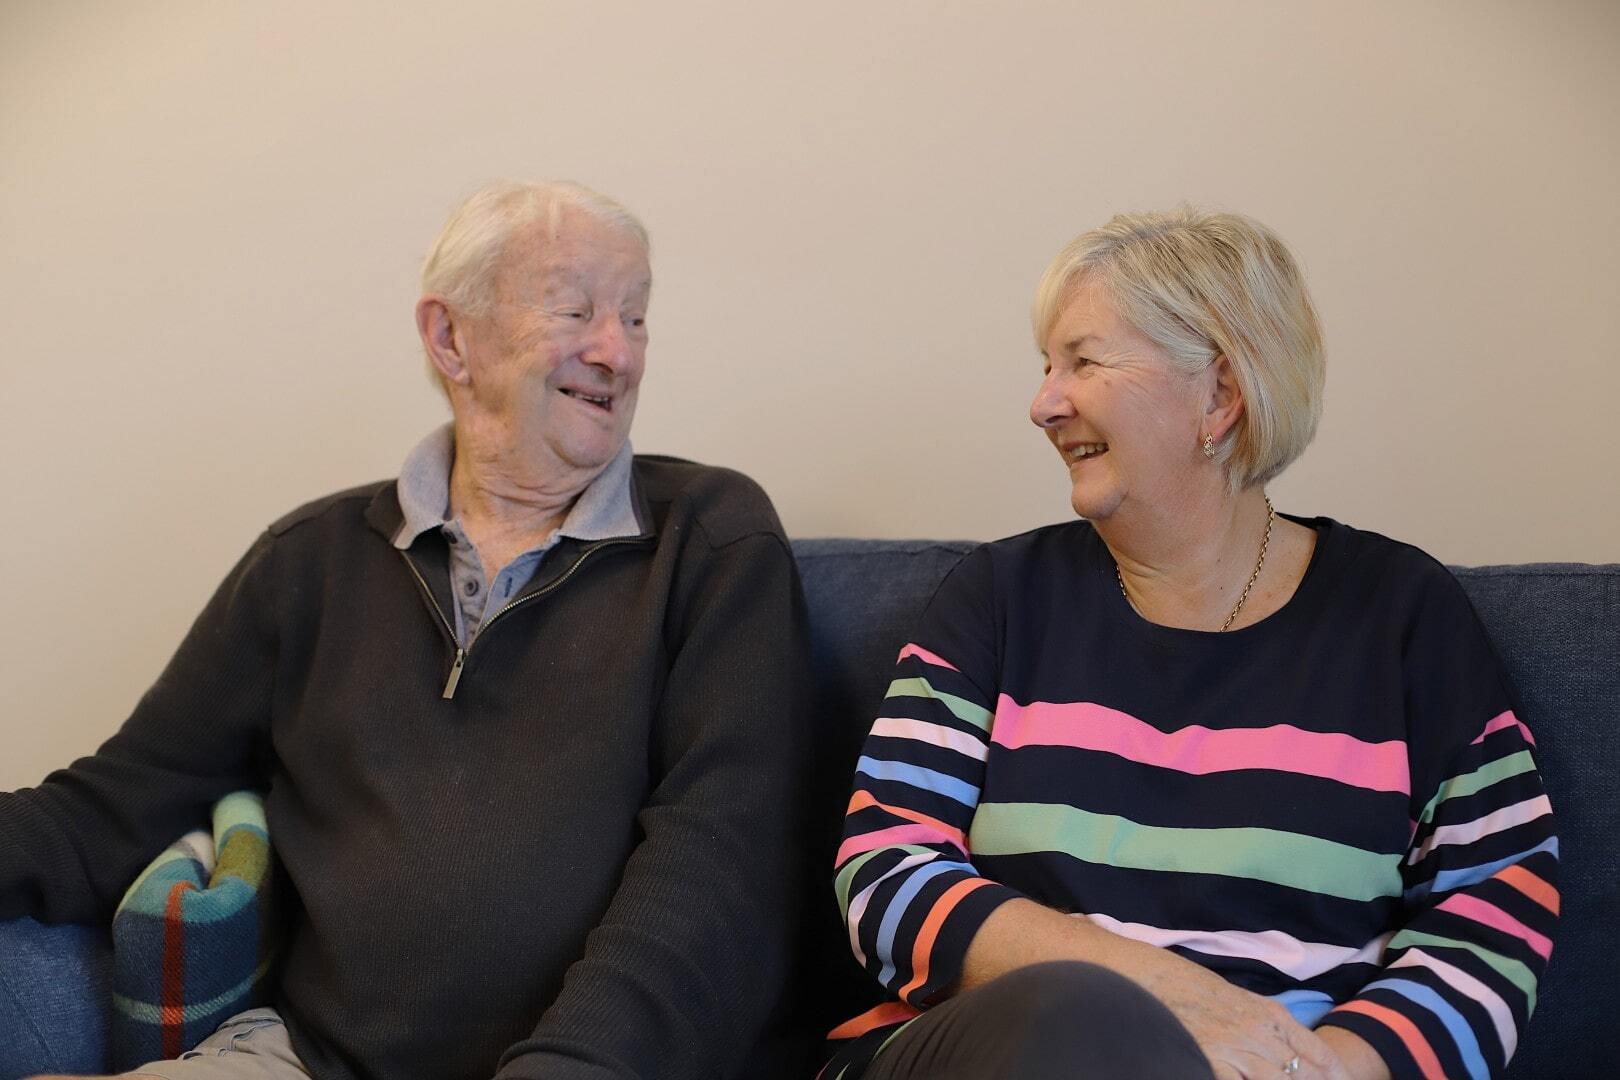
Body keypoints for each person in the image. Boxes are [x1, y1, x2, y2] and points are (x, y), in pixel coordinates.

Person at [0, 180, 811, 1080]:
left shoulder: (710, 538)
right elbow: (121, 802)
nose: (618, 352)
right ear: (449, 337)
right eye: (577, 309)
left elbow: (721, 858)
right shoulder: (311, 560)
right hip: (310, 1063)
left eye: (638, 316)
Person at [826, 207, 1557, 1080]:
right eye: (1045, 367)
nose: (1042, 404)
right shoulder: (1001, 600)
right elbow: (884, 868)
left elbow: (1496, 906)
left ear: (1219, 394)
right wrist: (1156, 991)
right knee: (1080, 1018)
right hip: (1004, 1049)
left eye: (1083, 361)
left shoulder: (1402, 617)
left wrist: (1322, 1069)